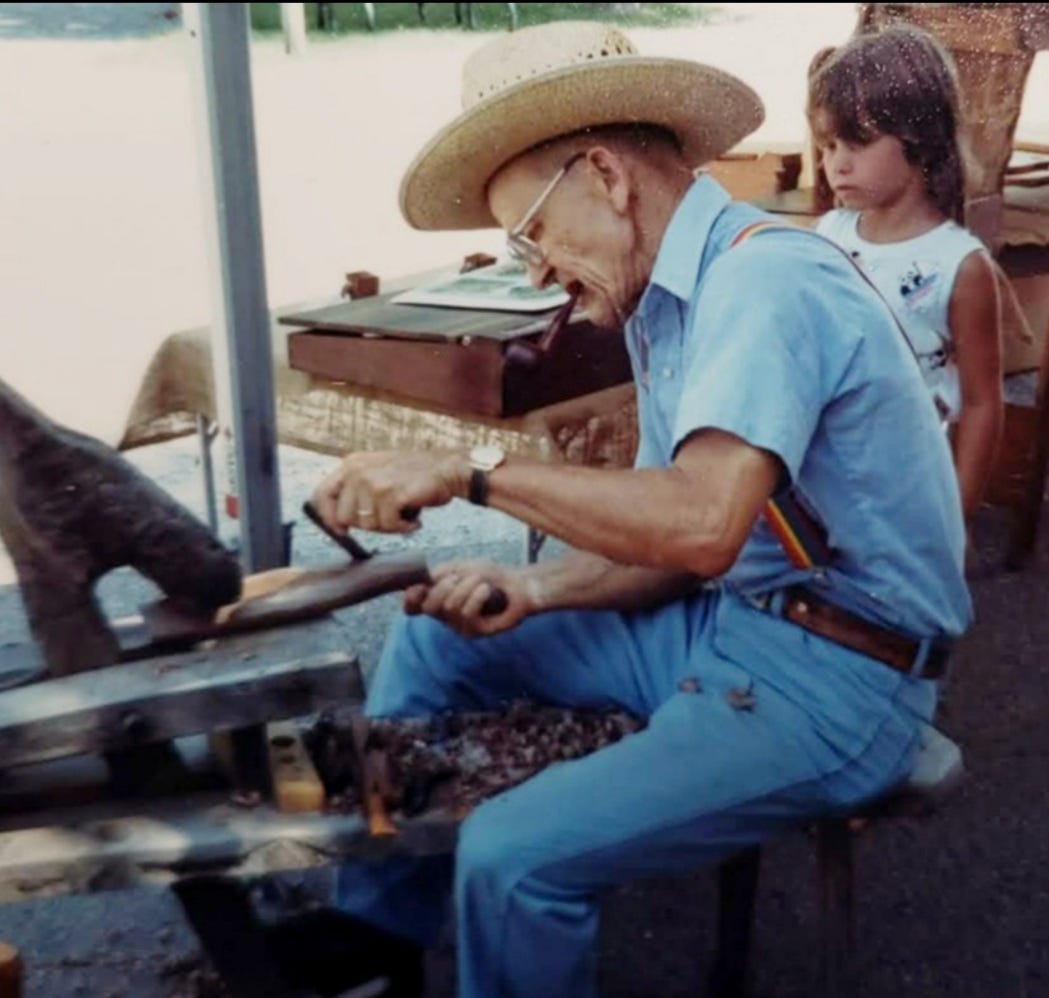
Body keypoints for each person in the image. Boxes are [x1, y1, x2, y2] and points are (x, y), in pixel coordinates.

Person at [308, 21, 971, 998]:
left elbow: (698, 521)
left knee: (511, 854)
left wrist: (465, 468)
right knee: (434, 639)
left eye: (530, 232)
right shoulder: (670, 301)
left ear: (606, 176)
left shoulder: (764, 277)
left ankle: (473, 910)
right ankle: (376, 931)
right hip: (736, 620)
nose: (531, 269)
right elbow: (687, 544)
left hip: (841, 673)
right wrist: (530, 586)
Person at [807, 25, 1003, 522]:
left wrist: (955, 520)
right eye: (828, 147)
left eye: (858, 142)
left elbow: (982, 405)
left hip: (908, 495)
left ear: (919, 137)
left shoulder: (959, 265)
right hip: (818, 481)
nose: (837, 165)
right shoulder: (828, 233)